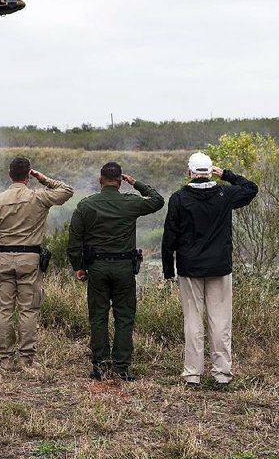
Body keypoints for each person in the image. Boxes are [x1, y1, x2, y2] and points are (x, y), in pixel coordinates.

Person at [161, 152, 258, 386]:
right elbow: (251, 188)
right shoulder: (225, 194)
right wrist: (226, 174)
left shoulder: (179, 198)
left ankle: (193, 373)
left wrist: (168, 271)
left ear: (189, 172)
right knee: (221, 322)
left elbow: (169, 237)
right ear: (210, 171)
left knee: (193, 321)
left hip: (189, 267)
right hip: (220, 267)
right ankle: (222, 373)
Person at [67, 162, 164, 381]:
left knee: (98, 317)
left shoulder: (86, 205)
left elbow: (74, 241)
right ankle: (121, 367)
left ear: (100, 181)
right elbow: (158, 201)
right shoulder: (130, 203)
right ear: (120, 182)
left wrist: (78, 266)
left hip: (97, 268)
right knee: (124, 317)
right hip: (124, 269)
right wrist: (137, 183)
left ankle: (100, 366)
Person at [0, 156, 73, 370]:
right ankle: (26, 359)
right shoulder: (38, 197)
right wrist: (44, 178)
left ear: (9, 174)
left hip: (2, 258)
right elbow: (67, 191)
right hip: (30, 259)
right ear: (28, 175)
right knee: (29, 309)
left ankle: (4, 359)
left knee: (4, 310)